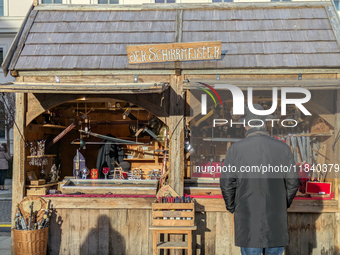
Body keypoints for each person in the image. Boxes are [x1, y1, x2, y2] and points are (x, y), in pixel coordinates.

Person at [220, 104, 300, 255]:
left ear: (246, 125)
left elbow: (227, 183)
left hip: (248, 218)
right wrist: (283, 203)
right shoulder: (282, 148)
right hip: (276, 218)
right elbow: (293, 181)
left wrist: (233, 207)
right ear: (265, 124)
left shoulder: (236, 149)